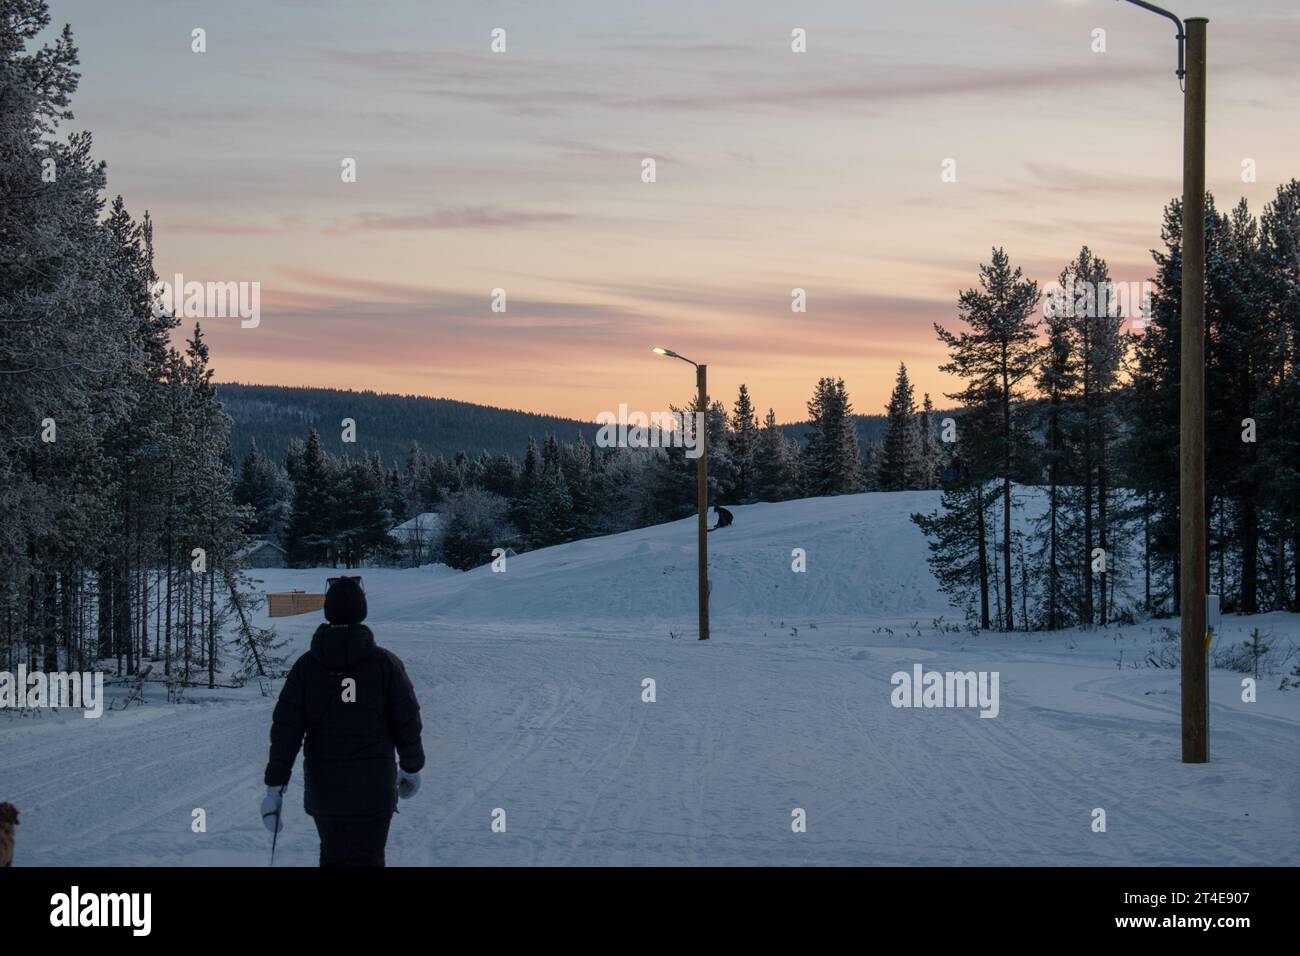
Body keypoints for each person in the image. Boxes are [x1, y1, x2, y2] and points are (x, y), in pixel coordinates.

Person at [260, 576, 424, 867]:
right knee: (370, 858)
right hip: (373, 790)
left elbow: (287, 730)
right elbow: (407, 721)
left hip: (326, 791)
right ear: (362, 610)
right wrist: (411, 767)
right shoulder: (385, 664)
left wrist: (275, 787)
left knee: (332, 856)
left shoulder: (306, 667)